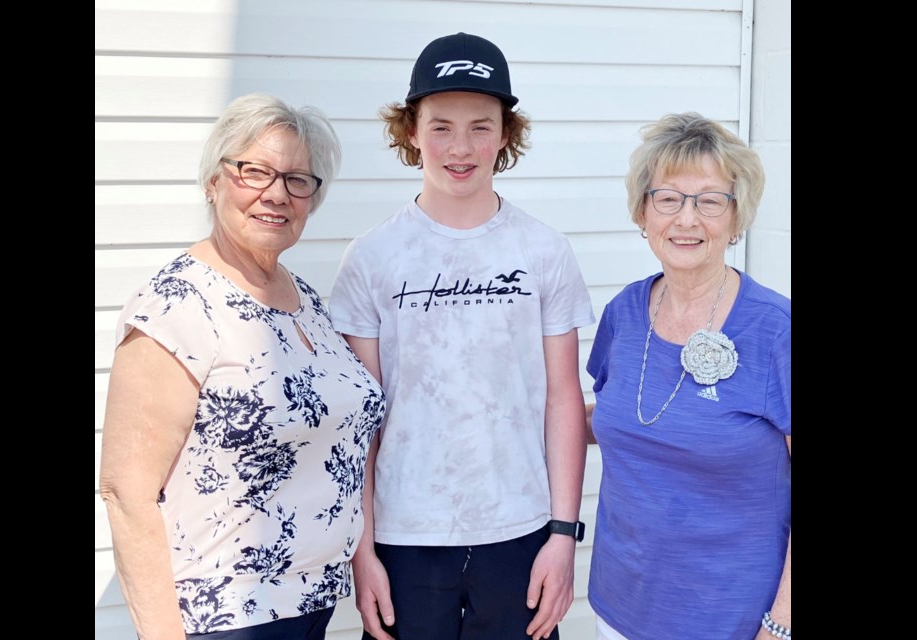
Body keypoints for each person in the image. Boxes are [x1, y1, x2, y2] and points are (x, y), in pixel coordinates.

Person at [328, 32, 595, 640]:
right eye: (441, 125)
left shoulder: (543, 250)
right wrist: (361, 550)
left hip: (520, 532)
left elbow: (562, 398)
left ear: (505, 133)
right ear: (411, 130)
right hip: (405, 538)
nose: (460, 146)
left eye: (481, 126)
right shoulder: (372, 257)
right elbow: (361, 420)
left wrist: (562, 534)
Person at [99, 92, 386, 640]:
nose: (275, 194)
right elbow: (126, 491)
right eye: (254, 171)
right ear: (214, 181)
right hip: (224, 618)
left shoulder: (303, 297)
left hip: (309, 604)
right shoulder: (176, 305)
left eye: (298, 180)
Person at [585, 112, 790, 640]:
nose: (687, 219)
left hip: (734, 620)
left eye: (710, 200)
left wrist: (780, 623)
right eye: (668, 198)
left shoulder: (776, 331)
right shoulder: (624, 313)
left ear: (737, 217)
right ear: (643, 212)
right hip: (619, 607)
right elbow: (610, 417)